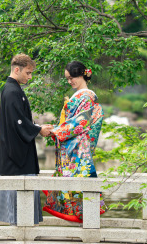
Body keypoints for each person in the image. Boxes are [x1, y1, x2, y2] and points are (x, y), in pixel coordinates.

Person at [43, 60, 106, 222]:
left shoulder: (87, 96)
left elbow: (80, 121)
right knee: (74, 178)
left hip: (79, 146)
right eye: (68, 78)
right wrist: (57, 128)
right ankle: (78, 213)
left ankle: (84, 214)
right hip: (73, 143)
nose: (70, 81)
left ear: (82, 75)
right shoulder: (80, 95)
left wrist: (57, 130)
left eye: (73, 77)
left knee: (79, 176)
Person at [0, 54, 53, 225]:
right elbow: (17, 122)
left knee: (19, 202)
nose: (30, 77)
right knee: (19, 202)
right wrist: (39, 129)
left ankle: (22, 235)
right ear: (17, 69)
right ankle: (21, 237)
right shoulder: (12, 91)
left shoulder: (13, 89)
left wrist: (37, 127)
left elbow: (20, 120)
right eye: (28, 73)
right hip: (16, 157)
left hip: (16, 152)